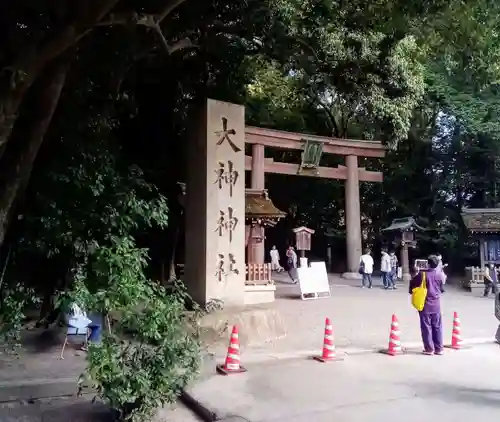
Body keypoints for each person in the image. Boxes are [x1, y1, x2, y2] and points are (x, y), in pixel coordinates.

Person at [409, 255, 445, 355]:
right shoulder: (439, 274)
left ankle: (429, 348)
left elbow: (412, 287)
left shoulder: (422, 274)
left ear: (427, 263)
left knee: (426, 326)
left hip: (425, 303)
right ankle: (439, 348)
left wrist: (415, 274)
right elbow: (442, 289)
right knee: (437, 326)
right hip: (436, 304)